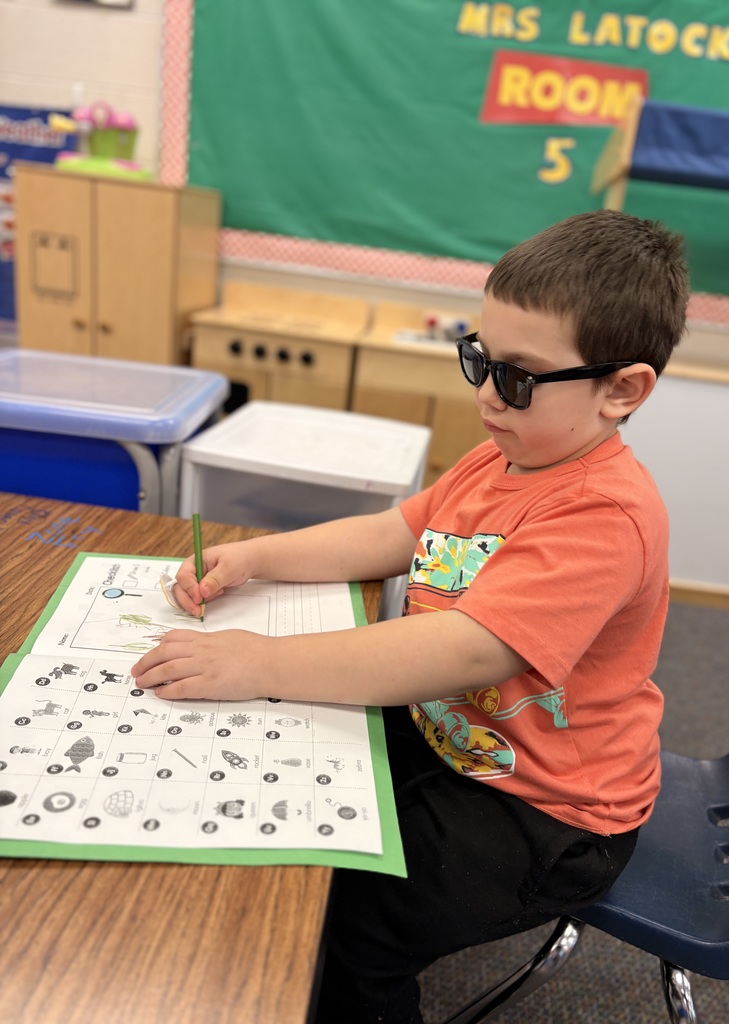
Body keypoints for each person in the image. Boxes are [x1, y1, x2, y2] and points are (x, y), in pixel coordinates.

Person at [132, 209, 689, 1023]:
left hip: (547, 807)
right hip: (454, 737)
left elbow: (468, 652)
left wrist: (258, 661)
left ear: (621, 390)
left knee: (352, 924)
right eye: (480, 359)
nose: (487, 395)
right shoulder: (505, 451)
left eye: (520, 377)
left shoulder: (606, 514)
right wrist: (260, 555)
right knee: (280, 776)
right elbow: (393, 533)